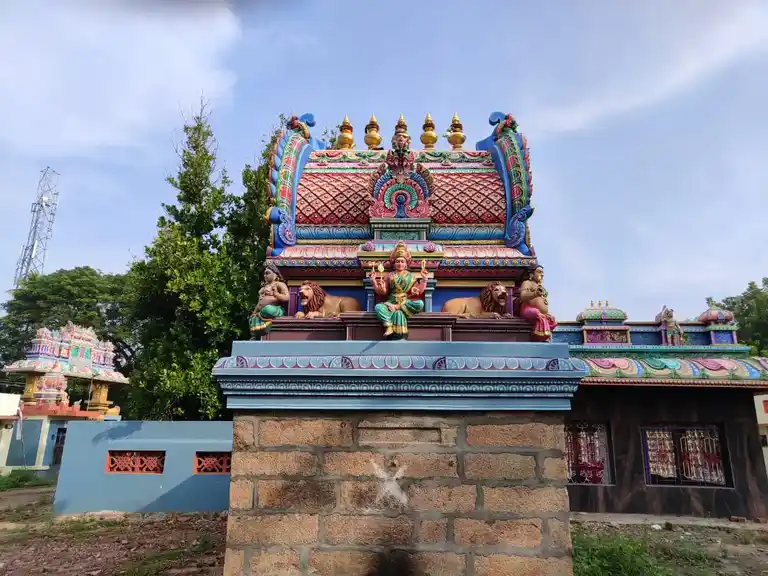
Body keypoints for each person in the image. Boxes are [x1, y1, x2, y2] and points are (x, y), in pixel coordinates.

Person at [372, 241, 427, 339]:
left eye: (402, 261)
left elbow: (418, 291)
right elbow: (383, 292)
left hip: (404, 302)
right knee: (378, 307)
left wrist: (424, 279)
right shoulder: (390, 275)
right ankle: (388, 325)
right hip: (391, 302)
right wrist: (374, 282)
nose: (400, 264)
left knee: (420, 304)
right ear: (394, 264)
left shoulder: (411, 276)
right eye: (397, 261)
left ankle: (397, 307)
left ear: (406, 264)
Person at [249, 262, 290, 339]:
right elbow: (260, 302)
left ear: (275, 275)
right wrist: (254, 312)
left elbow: (287, 297)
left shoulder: (279, 284)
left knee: (267, 309)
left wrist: (275, 293)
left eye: (267, 273)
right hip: (261, 312)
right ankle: (256, 335)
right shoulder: (264, 287)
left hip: (276, 309)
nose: (265, 276)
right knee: (252, 317)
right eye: (264, 274)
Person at [519, 265, 557, 342]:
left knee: (552, 319)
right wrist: (535, 293)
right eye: (539, 272)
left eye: (542, 272)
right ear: (531, 274)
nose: (542, 274)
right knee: (537, 314)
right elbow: (523, 296)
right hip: (528, 309)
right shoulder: (527, 283)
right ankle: (538, 336)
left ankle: (544, 336)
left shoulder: (540, 286)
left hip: (542, 313)